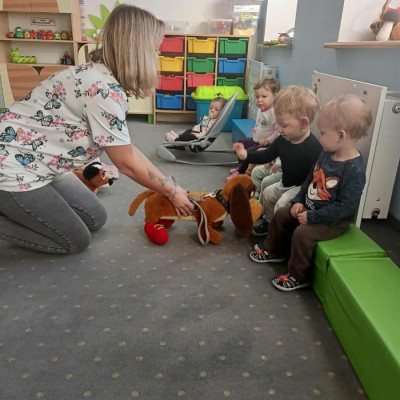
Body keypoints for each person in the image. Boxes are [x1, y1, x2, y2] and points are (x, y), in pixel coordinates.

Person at [0, 5, 193, 254]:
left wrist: (168, 186)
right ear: (138, 51)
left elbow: (126, 149)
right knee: (74, 241)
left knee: (95, 218)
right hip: (12, 168)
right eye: (155, 49)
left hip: (43, 164)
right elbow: (126, 164)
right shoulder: (103, 91)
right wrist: (171, 191)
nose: (157, 55)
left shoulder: (100, 76)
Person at [248, 94, 373, 291]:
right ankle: (274, 250)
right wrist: (298, 200)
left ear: (341, 135)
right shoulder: (326, 154)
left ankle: (298, 275)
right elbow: (310, 179)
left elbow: (345, 207)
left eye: (323, 133)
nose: (319, 136)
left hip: (332, 221)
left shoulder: (354, 170)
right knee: (282, 214)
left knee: (303, 234)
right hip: (309, 208)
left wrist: (312, 217)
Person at [234, 85, 322, 236]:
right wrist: (246, 156)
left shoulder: (314, 148)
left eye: (284, 125)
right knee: (268, 193)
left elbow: (317, 178)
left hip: (301, 188)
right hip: (285, 182)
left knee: (281, 205)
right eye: (278, 123)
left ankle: (278, 235)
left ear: (304, 123)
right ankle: (268, 223)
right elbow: (266, 155)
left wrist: (303, 199)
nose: (279, 129)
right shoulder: (283, 139)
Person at [227, 77, 280, 180]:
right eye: (257, 97)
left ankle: (240, 173)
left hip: (265, 144)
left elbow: (278, 131)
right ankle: (240, 167)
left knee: (248, 153)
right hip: (255, 140)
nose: (259, 100)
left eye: (264, 96)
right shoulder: (261, 109)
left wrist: (268, 140)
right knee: (240, 144)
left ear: (275, 96)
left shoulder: (273, 112)